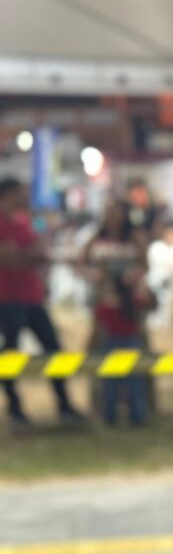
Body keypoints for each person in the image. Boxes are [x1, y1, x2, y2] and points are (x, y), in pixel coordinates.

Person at [0, 177, 83, 428]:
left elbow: (36, 253)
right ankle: (16, 409)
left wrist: (30, 256)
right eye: (20, 192)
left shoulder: (24, 221)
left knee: (53, 349)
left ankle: (64, 405)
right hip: (8, 299)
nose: (25, 197)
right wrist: (32, 257)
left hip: (32, 297)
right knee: (10, 354)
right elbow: (10, 258)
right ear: (9, 194)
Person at [92, 266, 154, 426]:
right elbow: (149, 301)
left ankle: (109, 417)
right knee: (135, 383)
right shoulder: (132, 301)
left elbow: (99, 322)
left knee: (110, 384)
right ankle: (137, 417)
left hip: (112, 343)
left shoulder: (107, 303)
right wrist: (140, 282)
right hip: (131, 343)